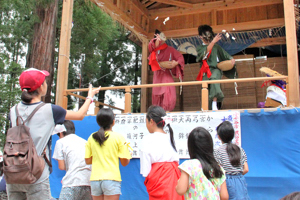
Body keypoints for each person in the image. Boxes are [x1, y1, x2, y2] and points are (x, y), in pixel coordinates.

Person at [6, 68, 101, 200]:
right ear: (40, 87)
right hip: (35, 173)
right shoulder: (50, 110)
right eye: (45, 82)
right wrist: (90, 96)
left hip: (13, 172)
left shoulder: (13, 110)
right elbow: (79, 115)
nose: (46, 84)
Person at [85, 108, 131, 200]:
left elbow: (88, 160)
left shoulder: (92, 137)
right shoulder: (118, 137)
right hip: (111, 179)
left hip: (95, 180)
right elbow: (124, 162)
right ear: (113, 122)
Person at [140, 105, 183, 200]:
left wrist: (148, 177)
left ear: (151, 121)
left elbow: (145, 170)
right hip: (174, 177)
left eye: (146, 121)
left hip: (156, 177)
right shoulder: (170, 137)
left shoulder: (147, 139)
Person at [176, 127, 228, 200]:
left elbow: (180, 190)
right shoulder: (218, 168)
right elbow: (224, 196)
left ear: (191, 147)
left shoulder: (189, 166)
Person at [196, 25, 237, 110]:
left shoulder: (216, 47)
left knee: (214, 79)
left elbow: (226, 55)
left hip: (216, 69)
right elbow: (204, 54)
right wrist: (213, 42)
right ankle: (206, 107)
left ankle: (215, 103)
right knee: (206, 88)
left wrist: (231, 59)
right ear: (200, 37)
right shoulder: (200, 48)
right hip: (205, 70)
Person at [52, 121, 92, 200]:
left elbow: (61, 166)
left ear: (60, 133)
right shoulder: (85, 142)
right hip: (88, 182)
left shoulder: (60, 142)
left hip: (71, 182)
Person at [148, 29, 185, 111]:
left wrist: (175, 63)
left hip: (166, 74)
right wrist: (156, 41)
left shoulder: (170, 49)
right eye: (159, 37)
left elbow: (180, 57)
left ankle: (167, 111)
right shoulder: (154, 51)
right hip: (157, 75)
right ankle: (158, 113)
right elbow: (152, 46)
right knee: (156, 96)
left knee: (168, 93)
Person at [214, 121, 250, 200]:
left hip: (226, 182)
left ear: (219, 136)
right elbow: (246, 169)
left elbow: (218, 171)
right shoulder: (240, 149)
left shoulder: (217, 151)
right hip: (240, 180)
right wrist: (237, 176)